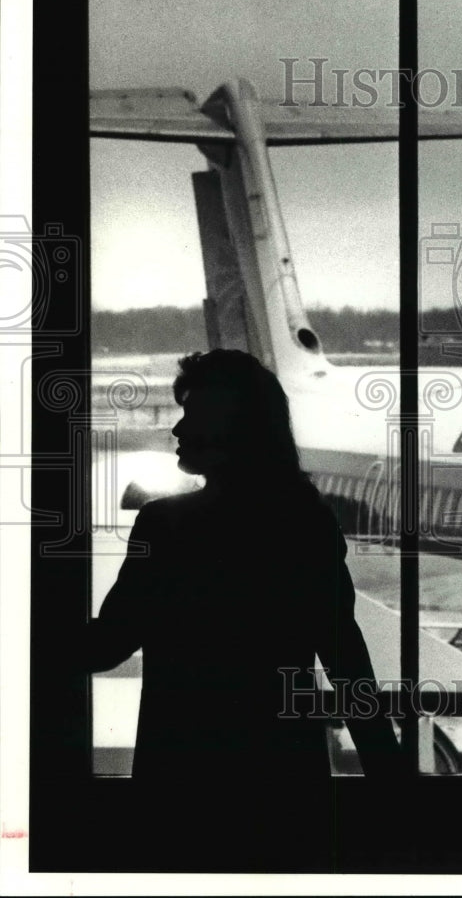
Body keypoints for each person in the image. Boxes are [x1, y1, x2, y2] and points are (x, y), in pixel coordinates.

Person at [84, 350, 404, 868]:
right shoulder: (305, 524)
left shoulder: (164, 526)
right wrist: (387, 777)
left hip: (182, 774)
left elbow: (106, 645)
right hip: (281, 775)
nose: (178, 430)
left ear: (228, 428)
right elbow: (347, 662)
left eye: (192, 415)